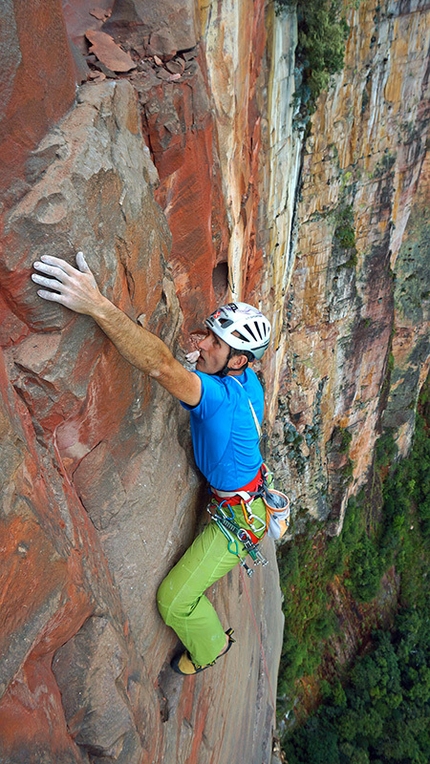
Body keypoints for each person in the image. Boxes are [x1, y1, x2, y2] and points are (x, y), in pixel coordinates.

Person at [32, 251, 271, 675]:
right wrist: (204, 358)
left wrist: (96, 304)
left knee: (174, 600)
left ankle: (210, 647)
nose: (202, 344)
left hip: (240, 516)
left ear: (238, 361)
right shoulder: (246, 380)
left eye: (216, 344)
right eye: (208, 334)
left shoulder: (220, 401)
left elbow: (160, 365)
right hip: (244, 492)